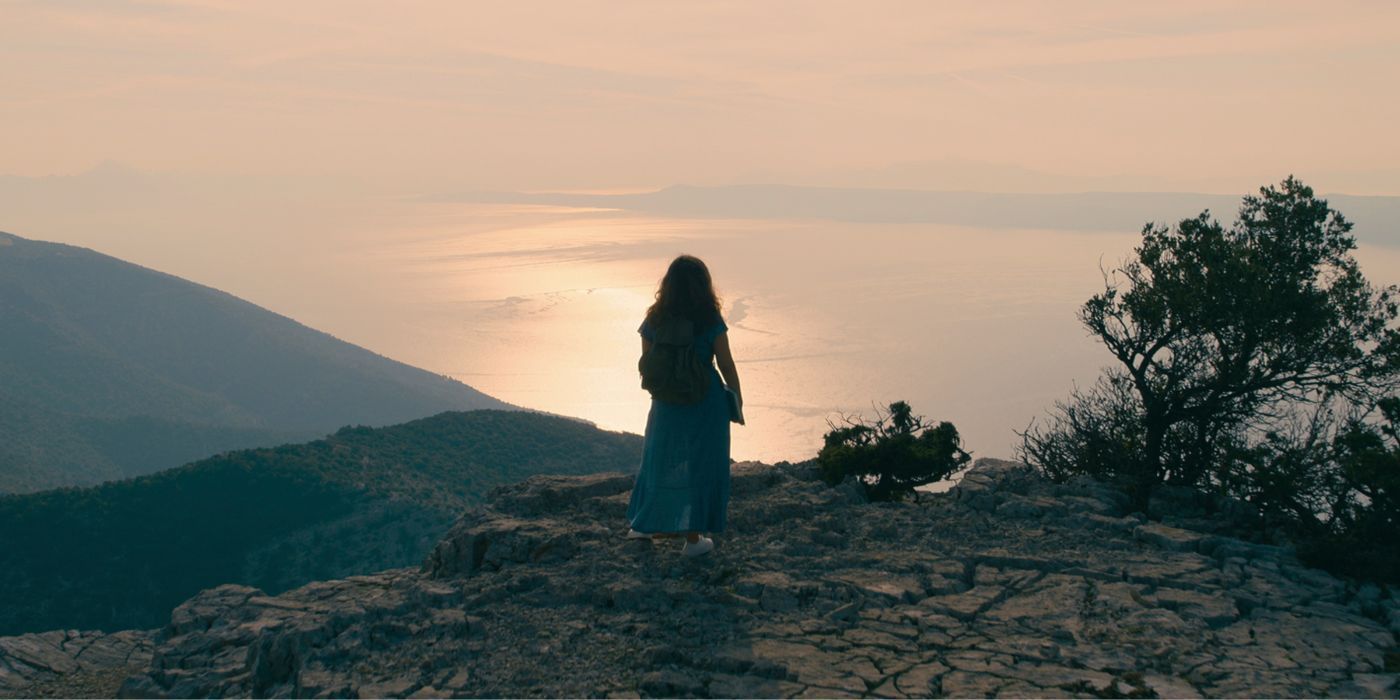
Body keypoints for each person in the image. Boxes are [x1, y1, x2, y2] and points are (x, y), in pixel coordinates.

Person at [625, 254, 742, 557]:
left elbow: (648, 363)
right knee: (702, 465)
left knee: (658, 460)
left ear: (668, 285)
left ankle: (642, 525)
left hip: (666, 404)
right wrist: (737, 398)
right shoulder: (710, 319)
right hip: (706, 403)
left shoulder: (655, 319)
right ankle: (693, 541)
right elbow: (726, 364)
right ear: (704, 286)